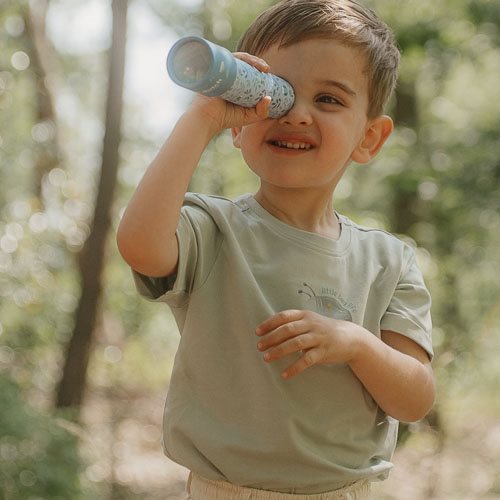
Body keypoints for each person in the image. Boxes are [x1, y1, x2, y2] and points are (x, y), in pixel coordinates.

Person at [116, 0, 435, 498]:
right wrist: (202, 117)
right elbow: (139, 246)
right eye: (275, 94)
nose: (296, 115)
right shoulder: (214, 229)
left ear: (369, 137)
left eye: (329, 100)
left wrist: (356, 342)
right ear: (240, 121)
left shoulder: (388, 262)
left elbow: (415, 398)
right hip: (224, 489)